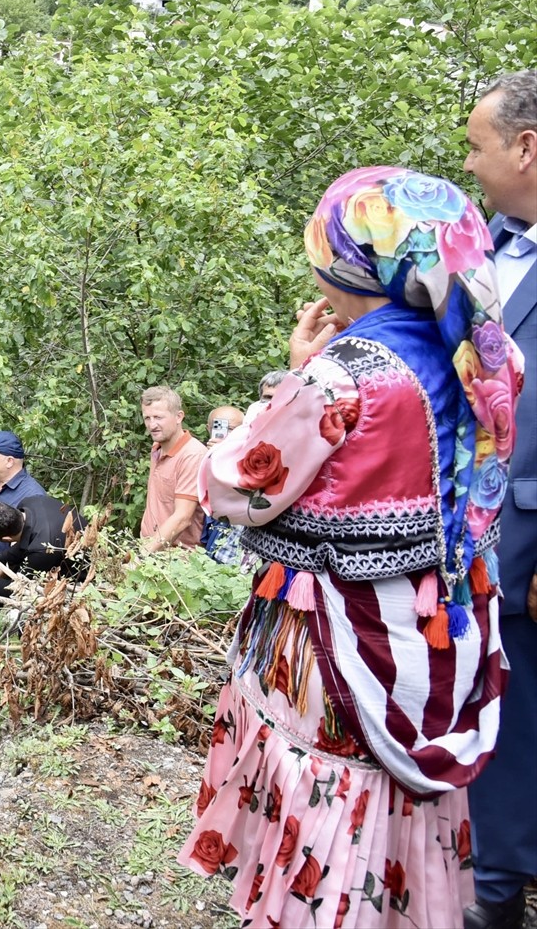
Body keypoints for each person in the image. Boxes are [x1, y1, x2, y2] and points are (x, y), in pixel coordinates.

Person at [178, 166, 522, 929]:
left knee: (324, 780)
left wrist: (293, 376)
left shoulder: (342, 378)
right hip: (436, 626)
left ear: (350, 263)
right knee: (395, 801)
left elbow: (234, 483)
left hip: (338, 635)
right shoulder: (484, 360)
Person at [462, 70, 537, 929]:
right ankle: (492, 887)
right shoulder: (486, 241)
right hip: (479, 542)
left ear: (525, 147)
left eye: (478, 147)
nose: (471, 165)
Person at [0, 495, 84, 632]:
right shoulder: (32, 501)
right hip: (47, 563)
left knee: (22, 623)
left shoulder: (42, 550)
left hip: (74, 581)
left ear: (6, 538)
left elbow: (18, 591)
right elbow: (24, 543)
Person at [139, 386, 207, 552]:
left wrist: (142, 555)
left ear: (179, 417)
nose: (152, 425)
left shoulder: (192, 455)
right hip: (150, 551)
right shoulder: (157, 448)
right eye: (147, 418)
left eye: (158, 417)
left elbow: (182, 517)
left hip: (175, 559)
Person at [201, 406, 246, 565]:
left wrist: (226, 457)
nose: (224, 434)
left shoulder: (251, 460)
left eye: (231, 429)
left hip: (234, 553)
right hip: (213, 542)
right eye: (218, 426)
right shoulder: (204, 457)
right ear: (208, 428)